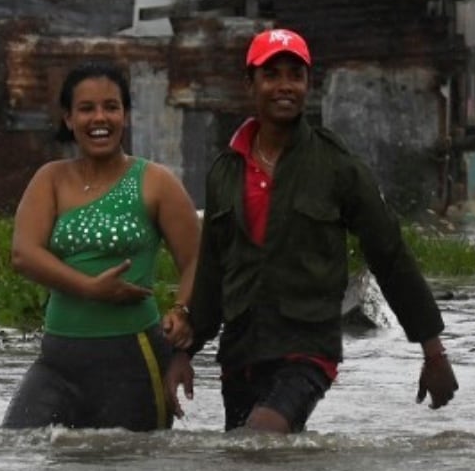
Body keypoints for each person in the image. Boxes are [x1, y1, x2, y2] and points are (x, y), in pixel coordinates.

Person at [166, 28, 458, 433]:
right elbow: (214, 271)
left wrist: (433, 351)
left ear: (308, 85)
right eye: (272, 75)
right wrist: (185, 352)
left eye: (295, 75)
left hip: (307, 349)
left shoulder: (337, 166)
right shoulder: (224, 173)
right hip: (242, 354)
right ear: (250, 83)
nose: (284, 86)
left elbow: (389, 255)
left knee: (261, 442)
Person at [3, 61, 201, 430]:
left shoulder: (155, 181)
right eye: (87, 108)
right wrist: (91, 288)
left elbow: (196, 260)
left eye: (111, 107)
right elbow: (24, 254)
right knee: (18, 447)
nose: (100, 118)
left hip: (133, 358)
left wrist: (183, 312)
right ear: (68, 118)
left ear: (125, 115)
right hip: (58, 360)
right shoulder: (50, 179)